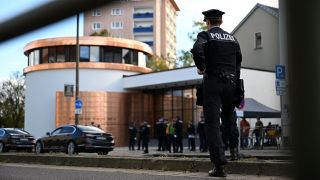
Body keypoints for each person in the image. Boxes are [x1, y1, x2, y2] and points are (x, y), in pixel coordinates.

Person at [191, 9, 242, 177]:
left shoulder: (205, 35)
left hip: (213, 82)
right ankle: (234, 150)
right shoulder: (233, 39)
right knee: (230, 117)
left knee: (212, 123)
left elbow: (197, 50)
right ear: (221, 21)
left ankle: (219, 166)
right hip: (232, 82)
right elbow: (238, 62)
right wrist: (235, 83)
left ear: (207, 21)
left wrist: (203, 67)